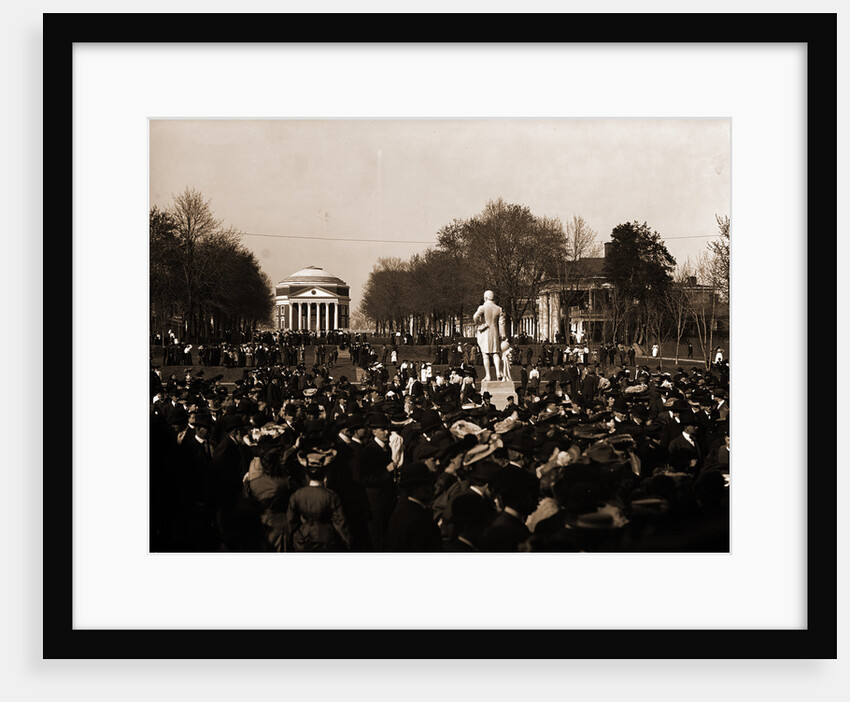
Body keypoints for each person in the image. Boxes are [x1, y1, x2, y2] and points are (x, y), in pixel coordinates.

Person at [472, 290, 507, 382]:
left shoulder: (482, 307)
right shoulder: (498, 309)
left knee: (485, 355)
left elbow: (475, 317)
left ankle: (488, 376)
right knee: (495, 353)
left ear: (485, 297)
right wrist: (503, 335)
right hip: (494, 332)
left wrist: (479, 325)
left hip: (485, 332)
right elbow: (501, 323)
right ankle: (498, 372)